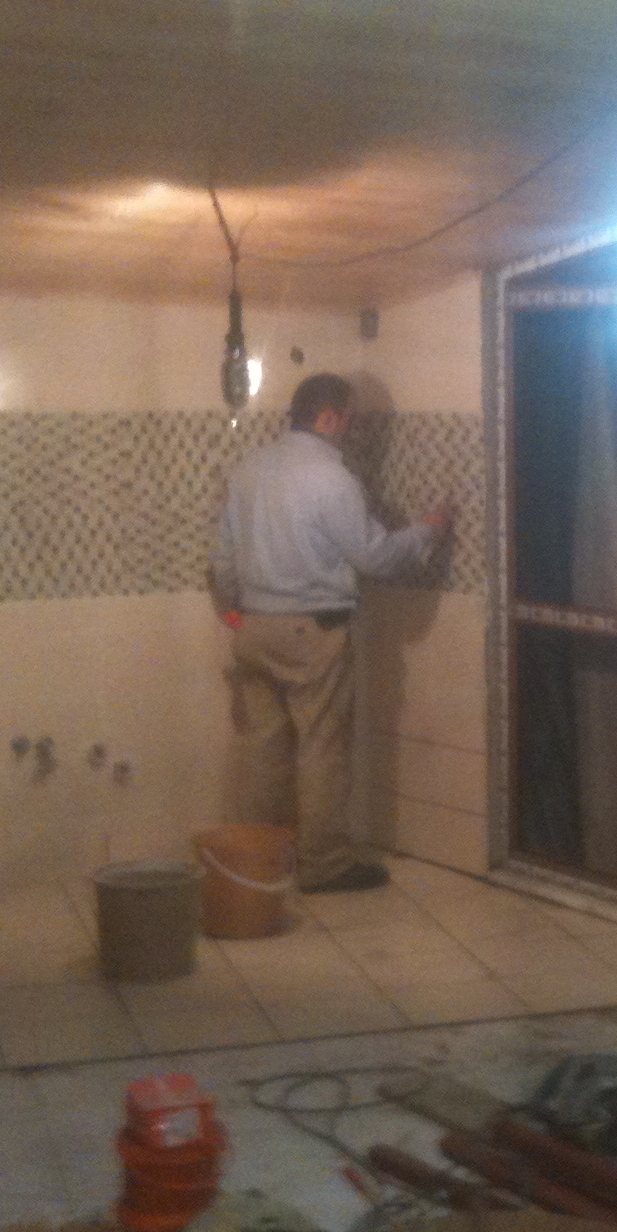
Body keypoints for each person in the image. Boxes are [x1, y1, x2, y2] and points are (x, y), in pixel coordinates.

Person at [209, 374, 454, 892]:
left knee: (262, 751)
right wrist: (427, 532)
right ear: (327, 418)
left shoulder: (250, 468)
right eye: (348, 419)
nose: (350, 429)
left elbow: (223, 561)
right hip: (312, 633)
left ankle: (256, 861)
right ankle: (323, 865)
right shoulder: (332, 478)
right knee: (321, 748)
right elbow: (375, 557)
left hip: (254, 628)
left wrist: (236, 613)